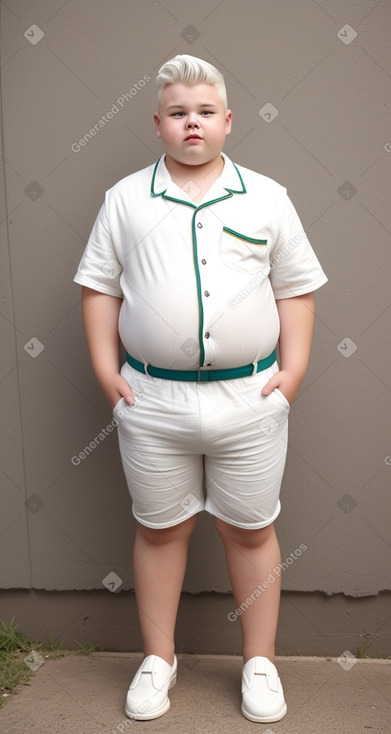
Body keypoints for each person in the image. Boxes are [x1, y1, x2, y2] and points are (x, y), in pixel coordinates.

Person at [74, 53, 327, 723]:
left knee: (250, 531)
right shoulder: (125, 199)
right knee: (160, 531)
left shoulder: (267, 197)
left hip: (250, 399)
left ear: (227, 122)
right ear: (158, 124)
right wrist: (108, 373)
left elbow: (296, 287)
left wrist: (291, 374)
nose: (193, 123)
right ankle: (158, 660)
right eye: (179, 113)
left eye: (205, 112)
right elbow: (98, 288)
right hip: (152, 400)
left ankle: (259, 662)